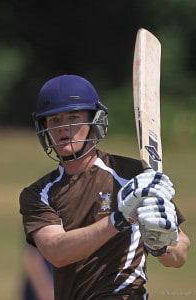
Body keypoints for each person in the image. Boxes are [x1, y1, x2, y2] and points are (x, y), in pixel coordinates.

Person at [19, 74, 190, 300]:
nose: (63, 128)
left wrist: (162, 243)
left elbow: (180, 255)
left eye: (73, 117)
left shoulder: (135, 175)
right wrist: (119, 219)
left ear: (94, 120)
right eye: (54, 120)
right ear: (45, 128)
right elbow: (56, 251)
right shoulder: (38, 194)